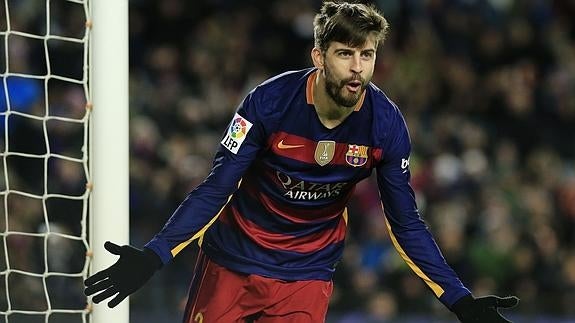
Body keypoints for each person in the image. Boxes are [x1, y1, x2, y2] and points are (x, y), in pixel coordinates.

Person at [84, 2, 519, 322]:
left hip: (306, 276)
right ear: (319, 56)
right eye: (344, 54)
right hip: (233, 262)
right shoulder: (268, 103)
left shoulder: (384, 126)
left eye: (366, 55)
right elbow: (217, 187)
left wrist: (459, 299)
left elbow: (405, 224)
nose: (356, 68)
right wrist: (155, 255)